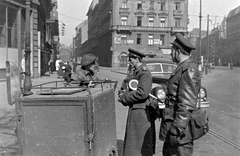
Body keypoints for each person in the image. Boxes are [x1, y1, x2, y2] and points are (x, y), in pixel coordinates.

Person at [159, 33, 200, 156]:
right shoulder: (181, 68)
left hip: (180, 132)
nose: (170, 53)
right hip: (173, 126)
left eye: (172, 50)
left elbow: (186, 105)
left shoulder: (189, 70)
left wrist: (176, 130)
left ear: (178, 51)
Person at [118, 48, 156, 156]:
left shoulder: (144, 73)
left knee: (138, 142)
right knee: (134, 142)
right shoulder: (135, 71)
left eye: (131, 59)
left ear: (137, 59)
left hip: (141, 112)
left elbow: (142, 93)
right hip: (136, 110)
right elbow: (130, 86)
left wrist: (125, 97)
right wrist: (123, 91)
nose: (129, 61)